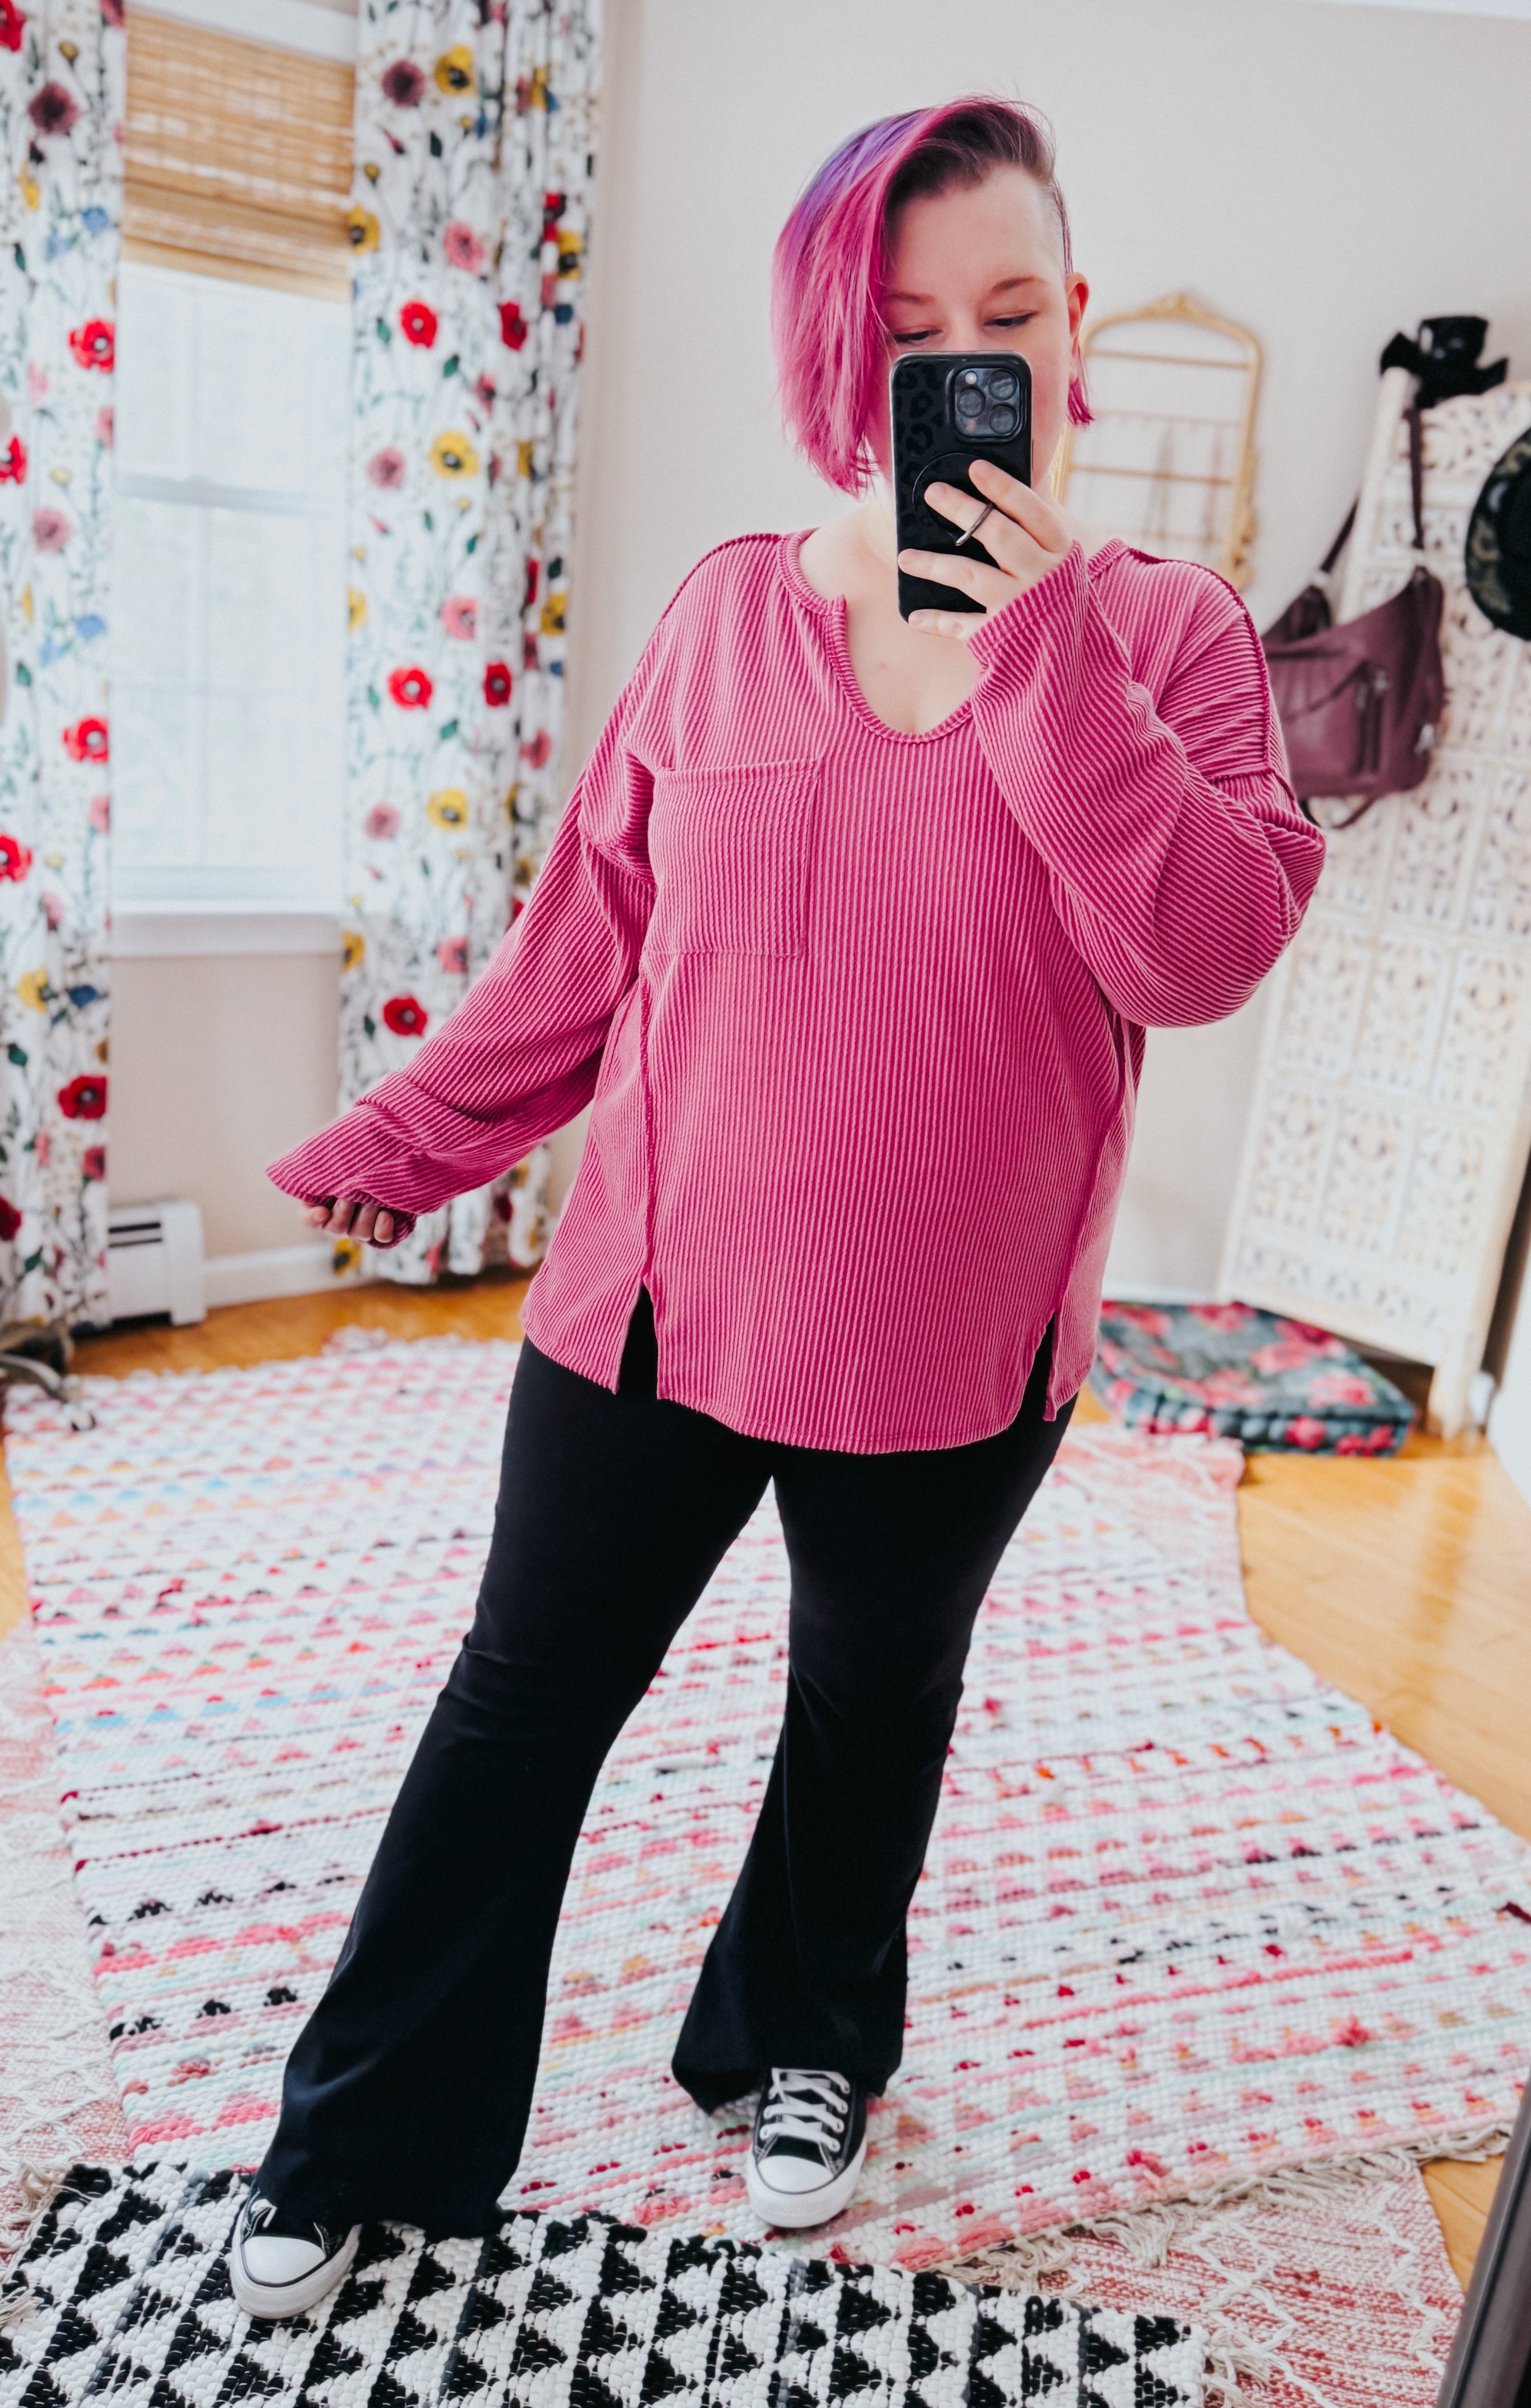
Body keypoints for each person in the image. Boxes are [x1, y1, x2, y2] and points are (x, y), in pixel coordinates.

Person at [229, 95, 1324, 2320]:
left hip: (954, 1340)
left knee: (868, 1707)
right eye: (917, 330)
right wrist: (398, 1142)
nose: (966, 367)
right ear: (844, 347)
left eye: (1008, 319)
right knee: (519, 1705)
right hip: (651, 1303)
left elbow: (1197, 953)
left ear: (1073, 329)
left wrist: (1041, 669)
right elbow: (582, 949)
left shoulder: (1168, 634)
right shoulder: (726, 618)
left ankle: (800, 2037)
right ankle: (368, 2143)